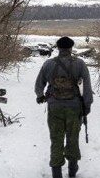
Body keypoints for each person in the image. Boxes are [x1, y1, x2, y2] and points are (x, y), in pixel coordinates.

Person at [35, 36, 93, 178]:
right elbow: (87, 87)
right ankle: (72, 172)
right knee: (73, 139)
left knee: (56, 139)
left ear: (58, 48)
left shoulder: (48, 64)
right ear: (71, 48)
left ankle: (57, 174)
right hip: (74, 108)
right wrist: (87, 105)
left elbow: (39, 85)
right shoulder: (80, 64)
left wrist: (40, 96)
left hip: (54, 107)